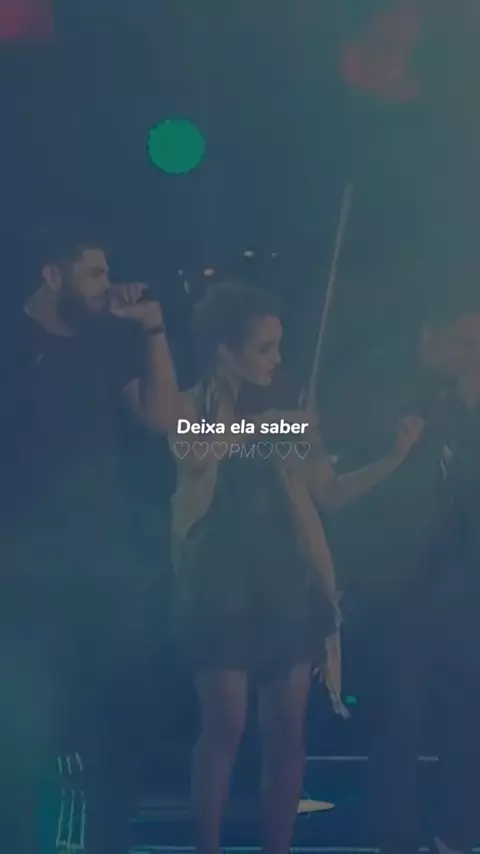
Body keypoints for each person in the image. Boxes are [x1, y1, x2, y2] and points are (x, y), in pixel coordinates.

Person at [166, 281, 423, 854]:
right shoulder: (191, 406)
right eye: (264, 348)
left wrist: (394, 456)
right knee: (225, 724)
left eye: (279, 347)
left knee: (288, 729)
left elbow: (328, 493)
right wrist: (275, 424)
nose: (277, 360)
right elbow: (195, 449)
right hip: (218, 584)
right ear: (224, 350)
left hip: (284, 583)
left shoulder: (287, 414)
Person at [0, 226, 178, 853]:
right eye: (94, 274)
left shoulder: (107, 342)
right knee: (29, 734)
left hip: (102, 568)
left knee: (110, 726)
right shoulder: (11, 342)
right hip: (23, 574)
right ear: (53, 275)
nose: (107, 286)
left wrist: (152, 329)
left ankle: (98, 843)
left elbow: (163, 419)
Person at [360, 295, 480, 854]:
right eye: (464, 342)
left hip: (464, 585)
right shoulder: (388, 393)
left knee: (467, 717)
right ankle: (396, 838)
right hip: (399, 584)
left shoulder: (470, 404)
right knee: (398, 721)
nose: (474, 354)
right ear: (428, 337)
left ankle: (458, 833)